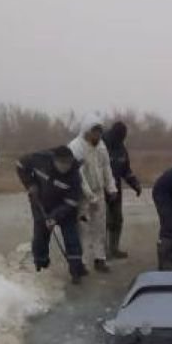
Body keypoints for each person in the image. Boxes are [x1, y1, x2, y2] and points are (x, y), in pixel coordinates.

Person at [15, 146, 88, 284]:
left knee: (72, 239)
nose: (65, 166)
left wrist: (54, 217)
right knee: (40, 237)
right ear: (53, 160)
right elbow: (20, 165)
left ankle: (76, 270)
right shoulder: (39, 159)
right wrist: (30, 184)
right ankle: (41, 265)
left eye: (68, 163)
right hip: (40, 203)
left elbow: (72, 202)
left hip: (66, 210)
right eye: (62, 162)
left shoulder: (75, 177)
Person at [68, 115, 117, 273]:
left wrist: (111, 188)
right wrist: (90, 197)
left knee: (100, 226)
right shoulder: (76, 147)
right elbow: (78, 175)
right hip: (82, 195)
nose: (97, 136)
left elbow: (106, 167)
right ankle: (81, 262)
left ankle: (99, 258)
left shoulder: (101, 146)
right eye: (95, 132)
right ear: (87, 131)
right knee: (82, 228)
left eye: (99, 132)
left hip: (98, 191)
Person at [102, 121, 142, 260]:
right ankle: (103, 252)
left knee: (117, 219)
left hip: (116, 188)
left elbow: (126, 169)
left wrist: (135, 184)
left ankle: (114, 248)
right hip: (101, 189)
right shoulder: (102, 145)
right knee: (104, 220)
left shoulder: (121, 148)